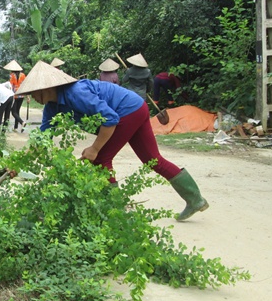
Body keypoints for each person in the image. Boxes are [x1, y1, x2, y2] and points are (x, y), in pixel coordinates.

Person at [15, 61, 209, 221]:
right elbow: (42, 140)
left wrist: (94, 148)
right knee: (153, 159)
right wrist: (17, 164)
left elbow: (110, 119)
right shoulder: (51, 108)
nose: (32, 97)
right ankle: (195, 200)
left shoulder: (76, 93)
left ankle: (115, 214)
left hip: (128, 110)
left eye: (34, 92)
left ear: (47, 88)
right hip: (135, 107)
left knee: (100, 160)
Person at [5, 60, 28, 132]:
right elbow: (25, 85)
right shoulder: (23, 75)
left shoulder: (11, 76)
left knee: (13, 112)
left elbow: (10, 86)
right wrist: (28, 96)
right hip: (22, 95)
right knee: (17, 111)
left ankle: (22, 122)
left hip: (14, 95)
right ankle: (15, 127)